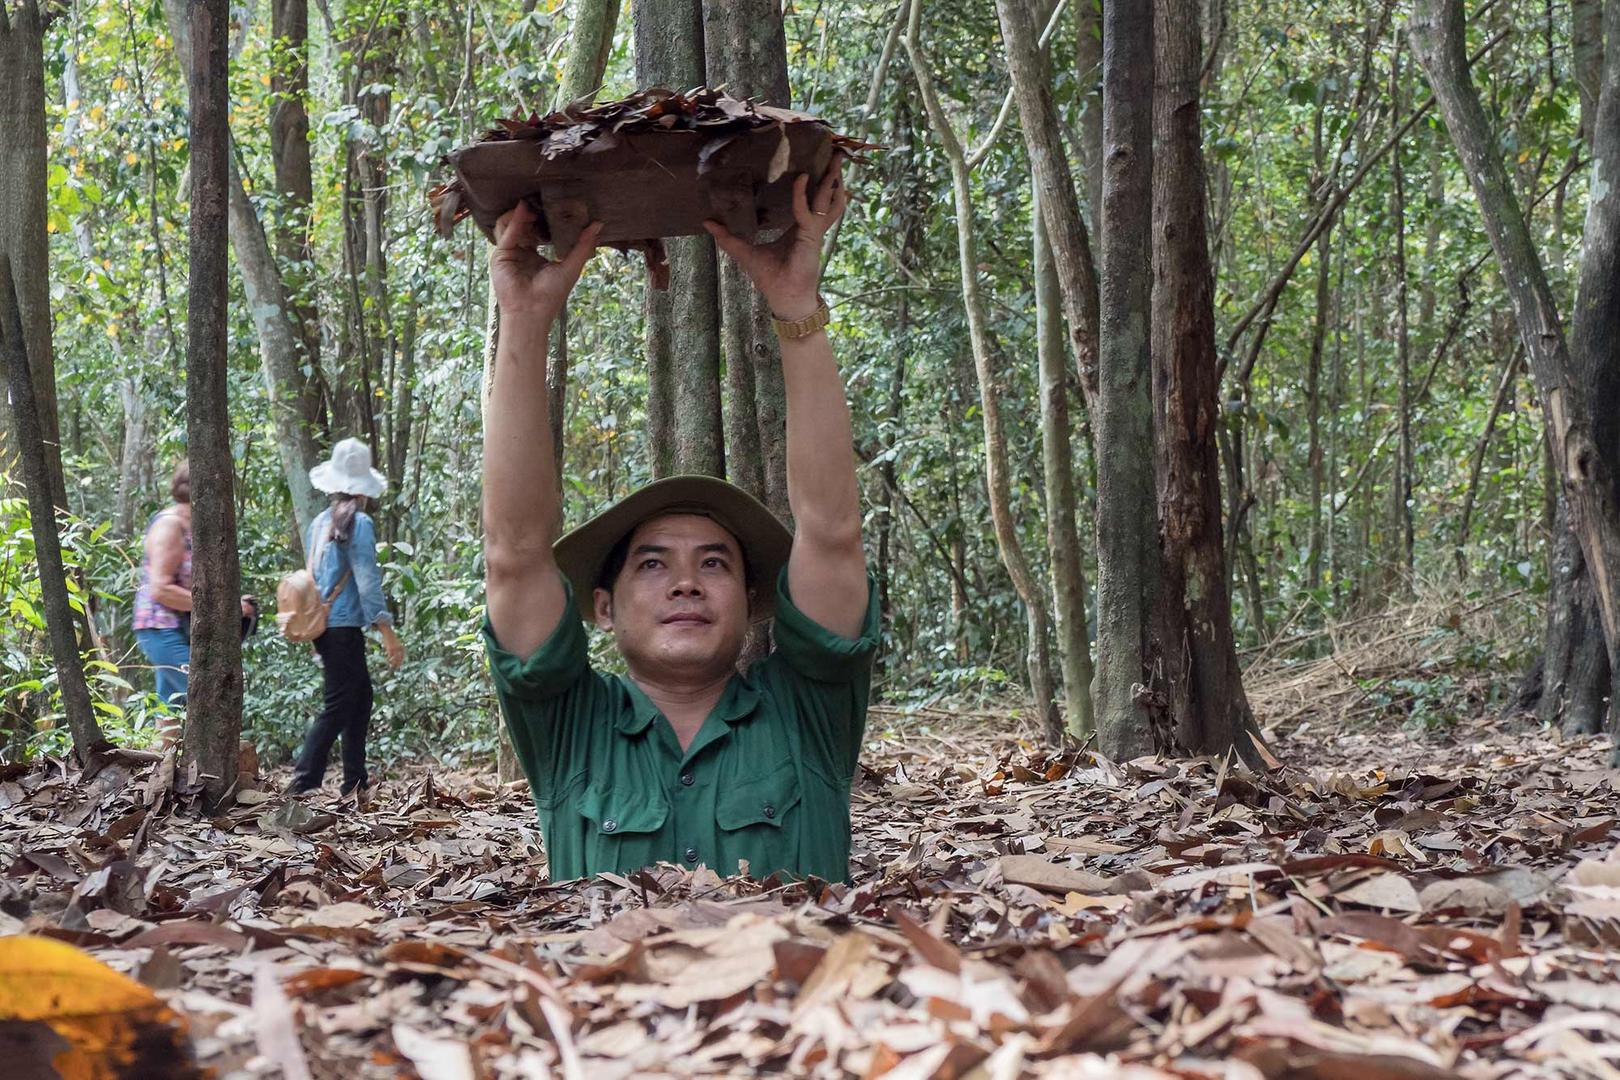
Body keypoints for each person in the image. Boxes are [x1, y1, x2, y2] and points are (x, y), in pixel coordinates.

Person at [483, 155, 876, 882]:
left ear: (754, 602)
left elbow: (831, 532)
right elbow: (514, 553)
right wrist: (525, 318)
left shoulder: (809, 715)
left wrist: (796, 306)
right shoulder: (570, 730)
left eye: (716, 562)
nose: (686, 583)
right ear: (602, 606)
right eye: (653, 563)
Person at [288, 438, 406, 800]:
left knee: (360, 698)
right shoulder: (361, 523)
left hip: (327, 628)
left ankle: (355, 780)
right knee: (339, 704)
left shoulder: (320, 523)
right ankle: (303, 782)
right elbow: (367, 580)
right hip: (342, 629)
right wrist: (387, 632)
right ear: (363, 489)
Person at [132, 461, 254, 739]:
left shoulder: (194, 524)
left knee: (171, 704)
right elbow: (160, 589)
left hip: (181, 626)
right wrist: (224, 609)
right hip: (160, 628)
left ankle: (162, 772)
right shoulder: (170, 526)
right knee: (206, 691)